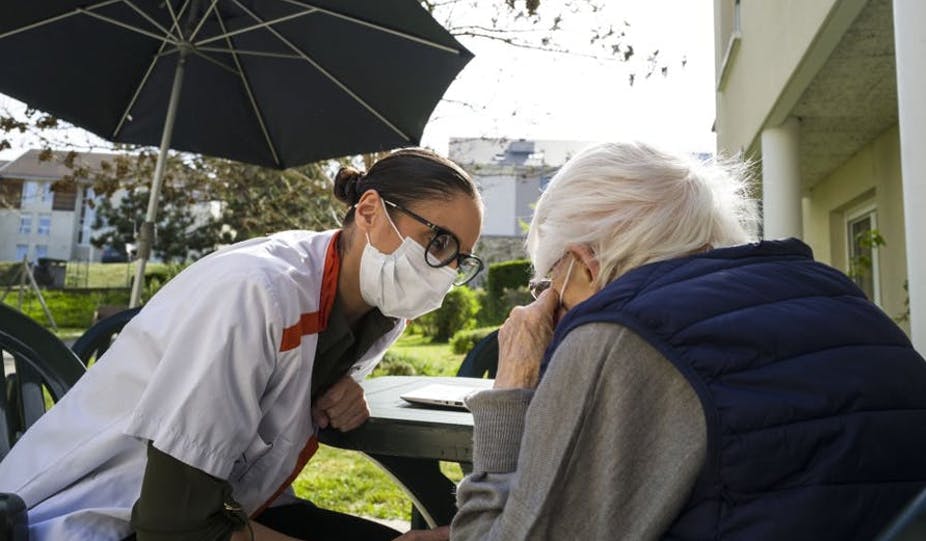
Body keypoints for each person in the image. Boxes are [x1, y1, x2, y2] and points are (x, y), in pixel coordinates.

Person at [450, 141, 926, 540]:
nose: (549, 310)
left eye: (547, 287)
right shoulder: (839, 295)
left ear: (583, 265)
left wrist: (512, 385)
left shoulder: (622, 332)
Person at [0, 148, 483, 541]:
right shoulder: (254, 292)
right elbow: (174, 528)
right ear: (371, 212)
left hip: (231, 504)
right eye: (437, 241)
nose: (445, 272)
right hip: (94, 519)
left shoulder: (379, 312)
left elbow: (283, 389)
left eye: (459, 260)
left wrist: (339, 388)